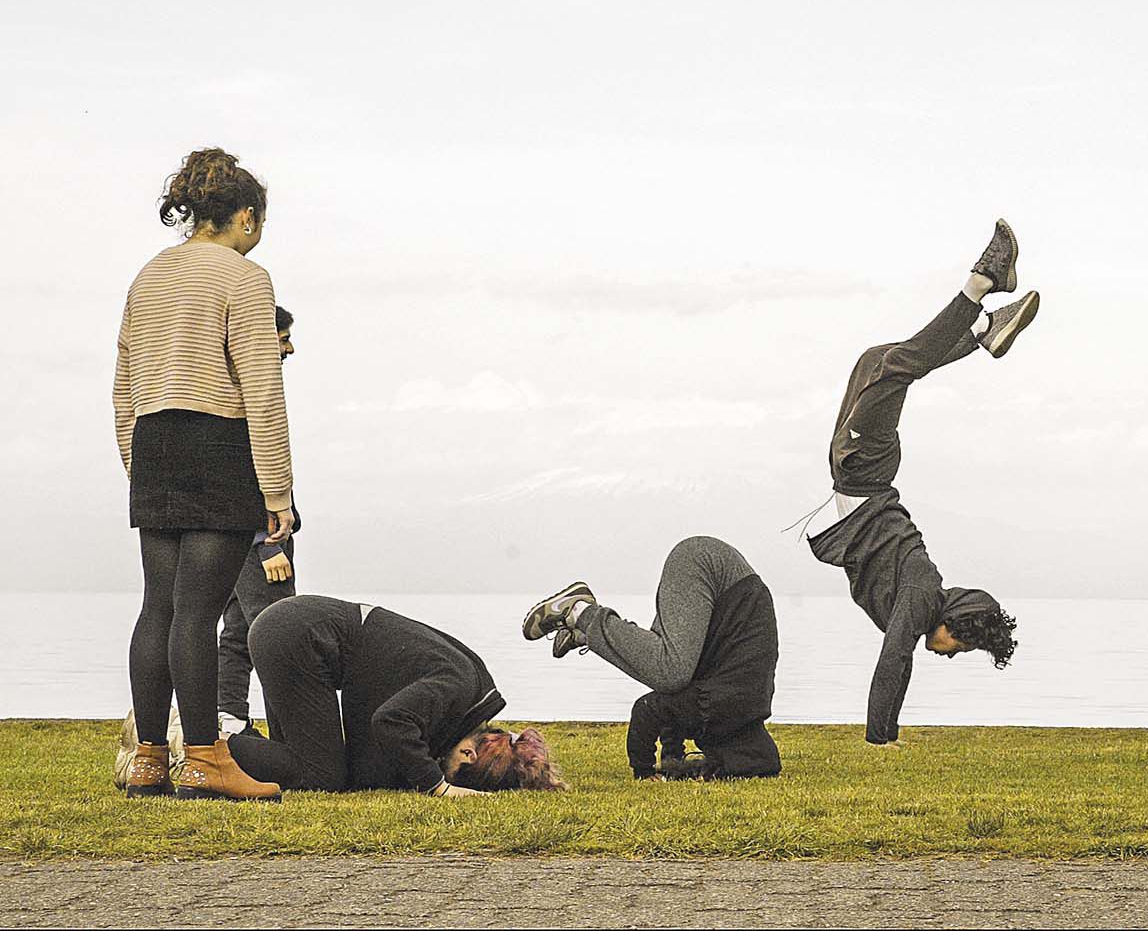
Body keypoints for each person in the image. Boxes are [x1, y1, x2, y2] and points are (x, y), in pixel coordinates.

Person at [797, 219, 1027, 748]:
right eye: (961, 647)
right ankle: (982, 284)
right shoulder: (923, 596)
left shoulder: (922, 591)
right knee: (894, 368)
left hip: (855, 472)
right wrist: (883, 737)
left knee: (876, 362)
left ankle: (980, 335)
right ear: (955, 624)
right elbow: (894, 658)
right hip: (865, 471)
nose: (949, 654)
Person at [113, 148, 294, 801]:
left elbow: (124, 388)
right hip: (219, 441)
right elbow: (262, 388)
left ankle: (149, 761)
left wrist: (142, 465)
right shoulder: (246, 278)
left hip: (155, 442)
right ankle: (206, 762)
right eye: (260, 223)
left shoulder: (148, 276)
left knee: (157, 607)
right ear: (245, 216)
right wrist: (278, 490)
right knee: (200, 612)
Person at [223, 594, 562, 795]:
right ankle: (210, 741)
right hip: (297, 637)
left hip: (296, 631)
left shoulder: (467, 698)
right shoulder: (456, 689)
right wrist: (435, 786)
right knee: (322, 776)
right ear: (470, 755)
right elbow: (389, 723)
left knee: (297, 759)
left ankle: (225, 744)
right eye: (452, 771)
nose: (442, 766)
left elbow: (372, 765)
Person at [523, 536, 782, 780]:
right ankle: (579, 611)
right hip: (707, 567)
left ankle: (583, 634)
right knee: (670, 670)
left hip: (727, 584)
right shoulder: (721, 709)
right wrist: (644, 772)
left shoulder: (738, 710)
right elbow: (650, 708)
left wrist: (672, 757)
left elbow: (678, 707)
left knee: (671, 670)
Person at [216, 304, 300, 737]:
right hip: (261, 537)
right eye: (283, 338)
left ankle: (229, 720)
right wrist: (267, 543)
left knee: (237, 631)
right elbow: (242, 470)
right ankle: (290, 732)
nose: (290, 348)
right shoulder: (250, 400)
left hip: (233, 535)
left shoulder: (228, 390)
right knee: (278, 632)